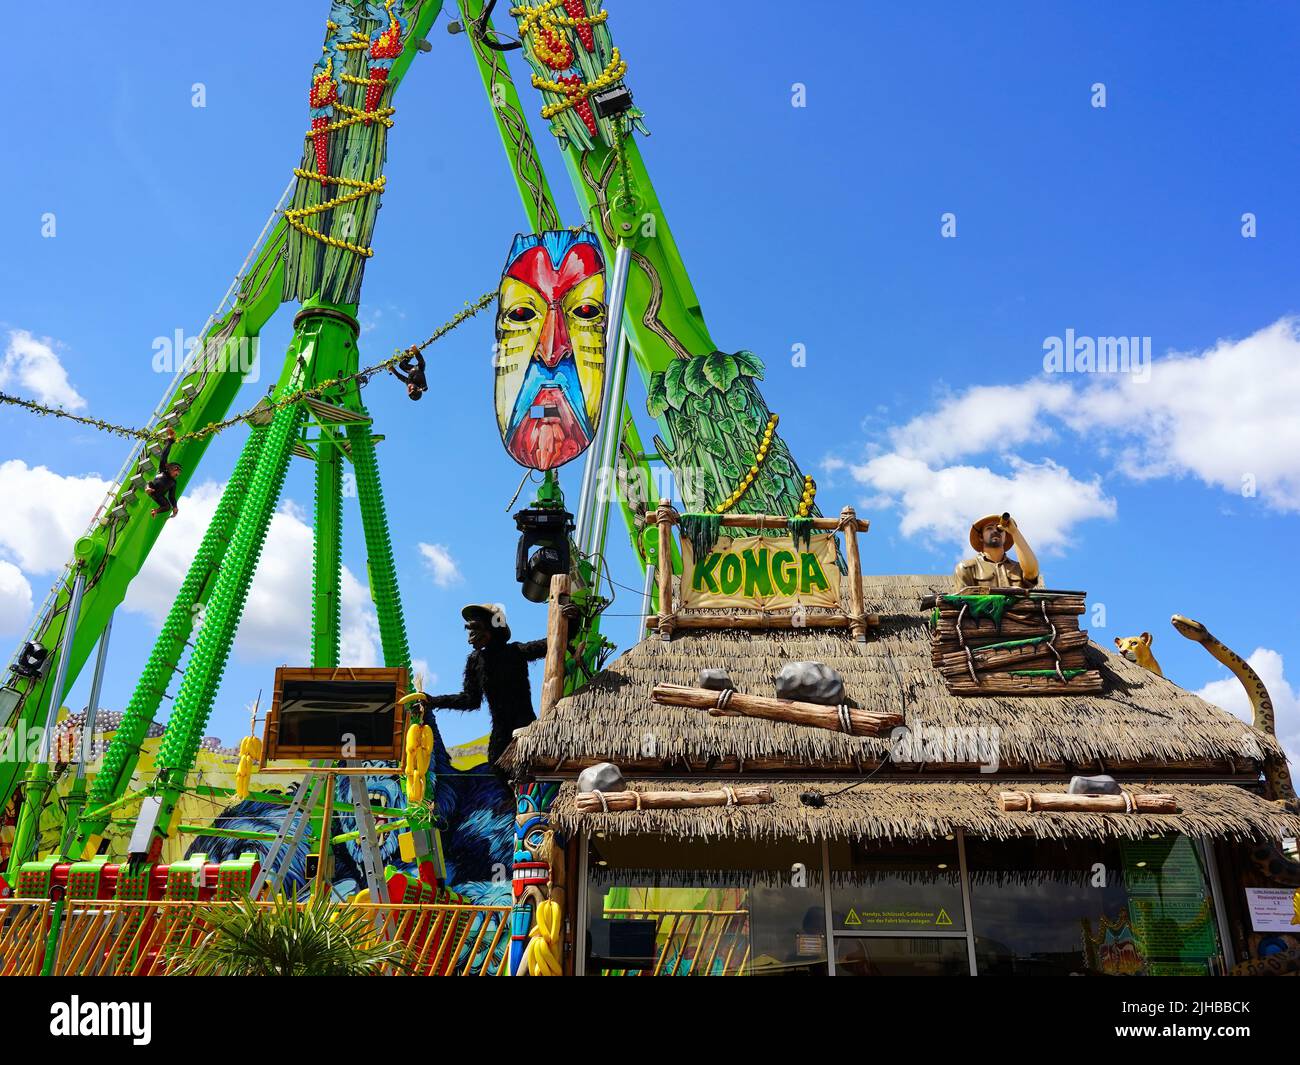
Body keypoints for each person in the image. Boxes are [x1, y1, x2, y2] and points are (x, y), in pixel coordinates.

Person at [420, 605, 547, 791]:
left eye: (475, 628)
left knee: (526, 765)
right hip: (501, 729)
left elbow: (551, 642)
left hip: (524, 724)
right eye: (469, 630)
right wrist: (434, 701)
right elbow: (470, 700)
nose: (470, 636)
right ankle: (516, 801)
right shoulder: (476, 660)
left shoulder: (515, 652)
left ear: (492, 629)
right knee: (496, 763)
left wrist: (572, 619)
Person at [954, 513, 1042, 592]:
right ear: (981, 537)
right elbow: (962, 602)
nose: (995, 531)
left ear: (1005, 537)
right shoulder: (968, 568)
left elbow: (1032, 572)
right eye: (989, 528)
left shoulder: (1019, 569)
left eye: (1000, 529)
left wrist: (1014, 532)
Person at [144, 427, 182, 519]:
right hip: (152, 489)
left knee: (167, 507)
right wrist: (170, 440)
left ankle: (155, 511)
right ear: (170, 467)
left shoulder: (173, 482)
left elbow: (171, 497)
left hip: (159, 495)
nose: (178, 472)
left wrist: (175, 507)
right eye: (177, 469)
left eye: (179, 472)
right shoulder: (163, 470)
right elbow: (164, 456)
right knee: (149, 482)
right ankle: (170, 438)